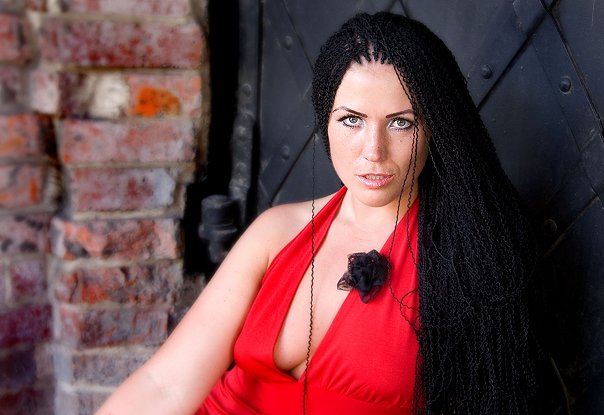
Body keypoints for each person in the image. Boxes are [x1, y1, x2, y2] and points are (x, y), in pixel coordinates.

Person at [96, 12, 539, 415]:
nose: (373, 151)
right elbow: (164, 385)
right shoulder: (276, 231)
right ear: (326, 121)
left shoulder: (468, 257)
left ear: (434, 128)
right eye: (352, 120)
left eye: (401, 122)